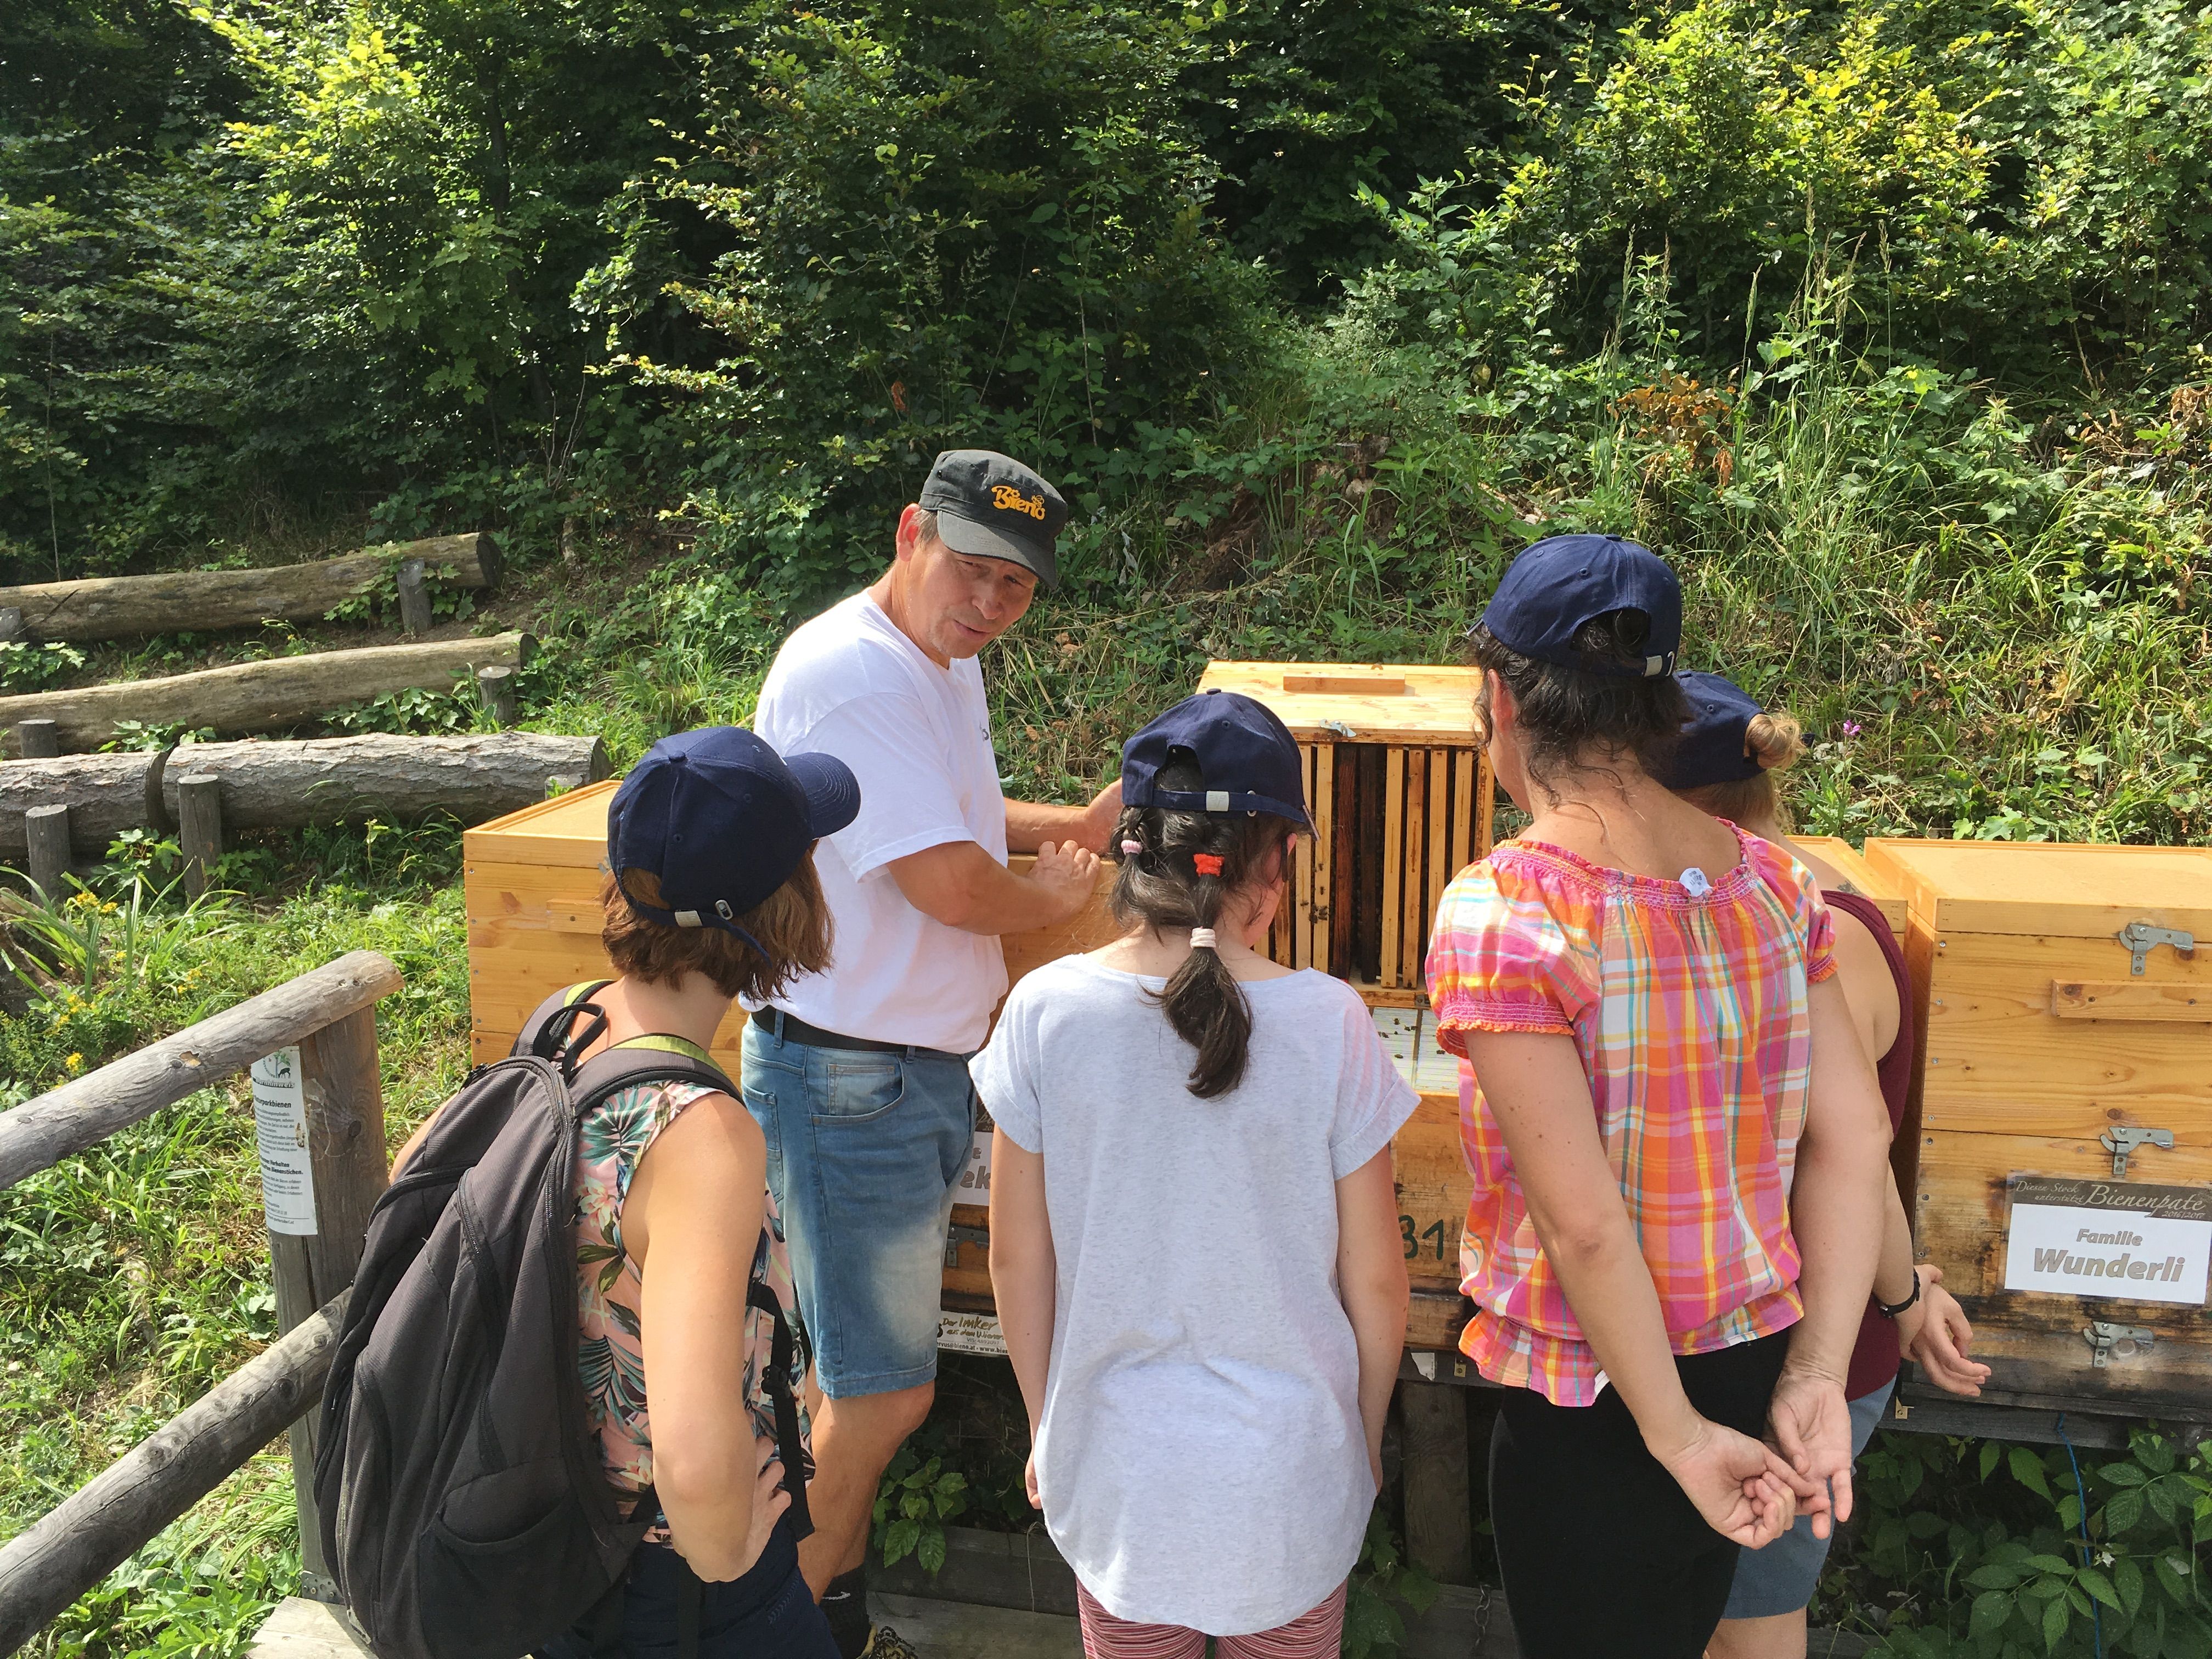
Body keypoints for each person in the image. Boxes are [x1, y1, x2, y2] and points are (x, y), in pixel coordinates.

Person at [1423, 533, 1897, 1659]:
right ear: (1659, 701)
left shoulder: (1507, 911)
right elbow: (1857, 1134)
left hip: (1597, 1396)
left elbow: (1586, 1227)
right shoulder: (1774, 880)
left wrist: (1677, 1440)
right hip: (1755, 1360)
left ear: (1500, 698)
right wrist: (1821, 1375)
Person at [745, 449, 1118, 1657]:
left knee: (842, 1388)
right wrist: (1066, 900)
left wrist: (1060, 827)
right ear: (912, 532)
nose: (992, 603)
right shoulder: (857, 673)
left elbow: (949, 806)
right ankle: (784, 1633)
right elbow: (954, 884)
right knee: (881, 1393)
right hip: (850, 1078)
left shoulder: (935, 660)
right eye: (973, 570)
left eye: (1018, 586)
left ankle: (826, 1613)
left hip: (900, 1073)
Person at [395, 726, 862, 1659]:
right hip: (684, 1593)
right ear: (780, 902)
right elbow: (693, 1462)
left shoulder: (564, 1024)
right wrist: (732, 1541)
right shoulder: (700, 1135)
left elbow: (415, 1189)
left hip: (561, 1546)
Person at [979, 690, 1417, 1659]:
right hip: (1292, 1481)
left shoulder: (1045, 1009)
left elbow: (1018, 1260)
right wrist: (1363, 1438)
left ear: (1127, 848)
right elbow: (1379, 1283)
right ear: (1279, 862)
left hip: (1119, 1479)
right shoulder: (1332, 1022)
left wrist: (1050, 1427)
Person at [1663, 671, 1990, 1659]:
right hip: (1780, 1335)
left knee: (1749, 1620)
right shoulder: (1784, 887)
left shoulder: (1815, 929)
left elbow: (1849, 1157)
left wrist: (1902, 1295)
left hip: (1816, 1343)